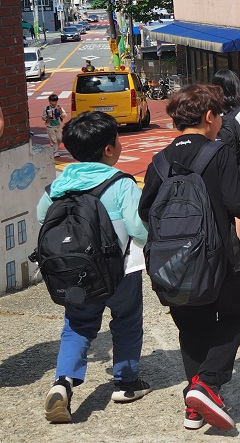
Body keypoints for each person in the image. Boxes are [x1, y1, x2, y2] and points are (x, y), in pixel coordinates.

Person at [139, 84, 240, 431]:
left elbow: (145, 210)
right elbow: (237, 204)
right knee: (237, 311)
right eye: (219, 117)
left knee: (192, 327)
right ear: (210, 116)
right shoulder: (218, 152)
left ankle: (194, 407)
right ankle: (208, 383)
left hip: (173, 261)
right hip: (220, 256)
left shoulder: (160, 160)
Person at [36, 112, 150, 423]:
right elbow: (139, 229)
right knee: (126, 321)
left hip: (75, 273)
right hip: (120, 273)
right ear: (109, 149)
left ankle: (63, 382)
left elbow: (42, 217)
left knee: (77, 325)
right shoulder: (121, 184)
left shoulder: (58, 186)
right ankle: (126, 383)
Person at [212, 70, 240, 258]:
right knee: (239, 202)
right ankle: (236, 246)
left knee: (218, 203)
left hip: (215, 162)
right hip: (237, 164)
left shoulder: (212, 109)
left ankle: (220, 245)